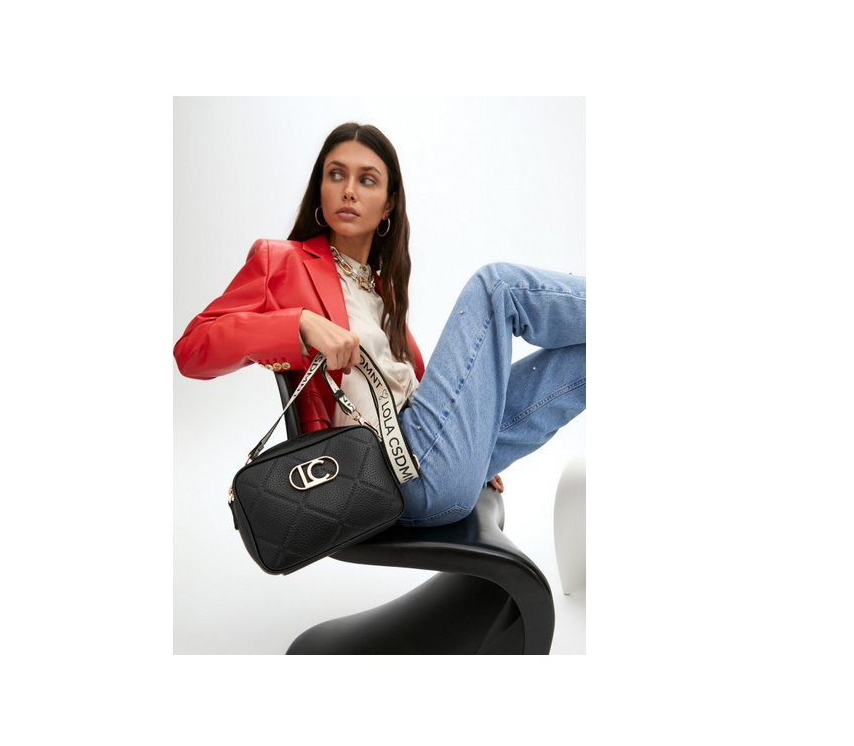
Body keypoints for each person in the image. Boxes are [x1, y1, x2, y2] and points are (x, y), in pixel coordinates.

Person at [173, 122, 586, 527]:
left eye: (367, 180)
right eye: (336, 175)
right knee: (496, 286)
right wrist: (299, 324)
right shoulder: (282, 262)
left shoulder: (381, 289)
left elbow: (416, 393)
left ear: (388, 204)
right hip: (383, 477)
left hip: (429, 458)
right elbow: (192, 350)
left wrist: (467, 443)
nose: (349, 190)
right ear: (321, 189)